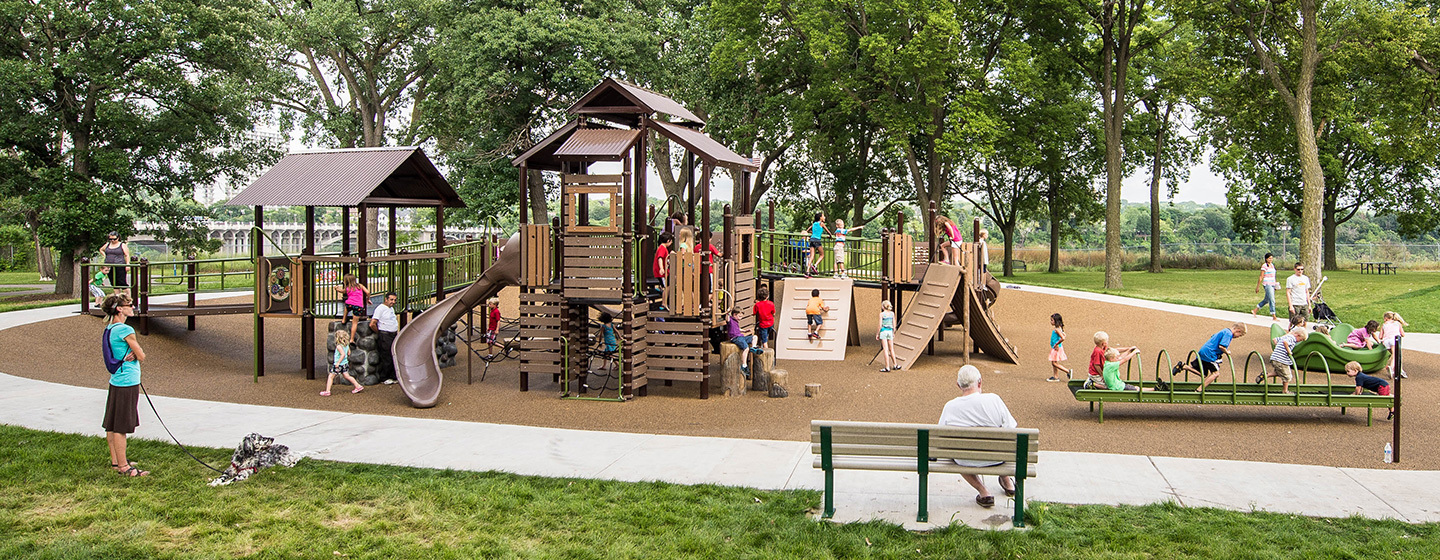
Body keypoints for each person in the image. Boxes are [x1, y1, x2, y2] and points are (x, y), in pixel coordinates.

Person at [938, 365, 1018, 509]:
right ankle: (1008, 483)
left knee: (956, 455)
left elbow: (940, 437)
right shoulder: (994, 400)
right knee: (1002, 443)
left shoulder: (950, 407)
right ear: (980, 382)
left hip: (965, 460)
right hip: (997, 457)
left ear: (958, 385)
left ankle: (984, 492)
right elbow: (1011, 429)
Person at [101, 294, 148, 477]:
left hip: (116, 380)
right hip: (127, 381)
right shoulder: (125, 330)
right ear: (119, 309)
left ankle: (116, 461)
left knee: (112, 424)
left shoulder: (110, 328)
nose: (132, 307)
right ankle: (124, 467)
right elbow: (142, 355)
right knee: (121, 426)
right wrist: (137, 353)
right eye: (129, 304)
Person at [1175, 323, 1247, 391]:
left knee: (1203, 374)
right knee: (1216, 373)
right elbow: (1221, 346)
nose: (1238, 337)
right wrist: (1227, 352)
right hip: (1210, 354)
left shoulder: (1224, 330)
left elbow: (1213, 336)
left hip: (1203, 351)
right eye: (1240, 335)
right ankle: (1199, 390)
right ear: (1238, 330)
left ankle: (1184, 366)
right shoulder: (1229, 334)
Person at [1263, 325, 1304, 393]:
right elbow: (1285, 342)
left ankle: (1266, 375)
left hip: (1274, 358)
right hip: (1281, 360)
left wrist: (1278, 347)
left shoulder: (1286, 336)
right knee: (1288, 377)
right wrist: (1289, 351)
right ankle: (1285, 391)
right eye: (1301, 339)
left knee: (1281, 372)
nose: (1299, 341)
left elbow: (1274, 340)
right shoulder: (1292, 338)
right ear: (1298, 335)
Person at [369, 292, 400, 384]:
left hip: (392, 334)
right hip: (385, 335)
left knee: (393, 355)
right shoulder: (380, 309)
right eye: (391, 300)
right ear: (386, 299)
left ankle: (392, 376)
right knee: (387, 356)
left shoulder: (390, 309)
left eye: (395, 300)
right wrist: (380, 332)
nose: (393, 302)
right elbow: (372, 323)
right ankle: (384, 377)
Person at [323, 330, 363, 396]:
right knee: (347, 376)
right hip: (345, 364)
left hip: (339, 364)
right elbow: (349, 353)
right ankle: (358, 385)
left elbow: (343, 354)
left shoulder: (339, 346)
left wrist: (338, 362)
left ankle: (327, 391)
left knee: (330, 376)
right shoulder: (346, 345)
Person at [725, 308, 761, 378]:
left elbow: (738, 329)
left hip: (741, 336)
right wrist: (727, 312)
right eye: (739, 316)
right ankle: (744, 365)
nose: (740, 318)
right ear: (734, 315)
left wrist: (744, 331)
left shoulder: (736, 321)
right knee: (746, 348)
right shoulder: (730, 320)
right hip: (736, 338)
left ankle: (753, 347)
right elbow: (727, 318)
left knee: (755, 337)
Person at [335, 273, 369, 341]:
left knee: (346, 307)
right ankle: (352, 339)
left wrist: (337, 289)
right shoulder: (360, 286)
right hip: (358, 306)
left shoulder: (348, 288)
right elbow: (367, 292)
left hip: (349, 304)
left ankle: (344, 319)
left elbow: (342, 291)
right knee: (355, 323)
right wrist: (367, 299)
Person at [101, 231, 131, 296]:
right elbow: (101, 249)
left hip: (120, 265)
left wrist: (128, 264)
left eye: (114, 239)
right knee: (114, 283)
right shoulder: (107, 245)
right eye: (111, 239)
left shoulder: (122, 245)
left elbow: (127, 255)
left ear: (118, 238)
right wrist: (105, 255)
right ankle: (117, 297)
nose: (112, 240)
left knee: (122, 282)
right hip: (109, 266)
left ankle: (127, 298)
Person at [1380, 311, 1408, 379]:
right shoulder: (1397, 323)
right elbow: (1403, 334)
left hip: (1386, 341)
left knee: (1396, 355)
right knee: (1395, 355)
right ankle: (1392, 368)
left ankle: (1400, 371)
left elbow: (1380, 336)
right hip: (1394, 340)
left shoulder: (1384, 325)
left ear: (1386, 318)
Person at [1252, 253, 1280, 321]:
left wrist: (1275, 284)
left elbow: (1273, 276)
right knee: (1272, 299)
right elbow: (1261, 276)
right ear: (1266, 259)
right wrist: (1257, 286)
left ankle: (1255, 310)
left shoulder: (1272, 265)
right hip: (1267, 284)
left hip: (1272, 283)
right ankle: (1273, 315)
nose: (1271, 260)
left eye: (1272, 258)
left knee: (1266, 300)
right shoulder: (1264, 266)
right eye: (1269, 258)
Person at [1047, 313, 1072, 382]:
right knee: (1055, 361)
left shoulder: (1057, 330)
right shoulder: (1059, 328)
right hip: (1056, 347)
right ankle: (1056, 376)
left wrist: (1057, 344)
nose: (1051, 322)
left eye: (1052, 320)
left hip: (1056, 348)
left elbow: (1063, 337)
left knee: (1054, 363)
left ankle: (1067, 371)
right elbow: (1064, 335)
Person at [877, 300, 897, 372]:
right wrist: (893, 332)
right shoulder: (892, 314)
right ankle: (895, 364)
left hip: (883, 331)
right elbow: (894, 324)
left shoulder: (881, 314)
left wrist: (877, 333)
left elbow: (880, 325)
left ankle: (887, 367)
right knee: (891, 349)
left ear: (883, 307)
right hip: (890, 331)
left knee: (885, 349)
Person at [806, 212, 828, 278]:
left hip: (812, 239)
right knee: (822, 255)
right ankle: (815, 265)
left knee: (812, 256)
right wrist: (830, 236)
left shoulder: (814, 224)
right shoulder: (821, 224)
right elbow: (828, 231)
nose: (824, 217)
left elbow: (807, 230)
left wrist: (813, 232)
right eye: (823, 216)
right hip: (817, 240)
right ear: (820, 218)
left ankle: (807, 271)